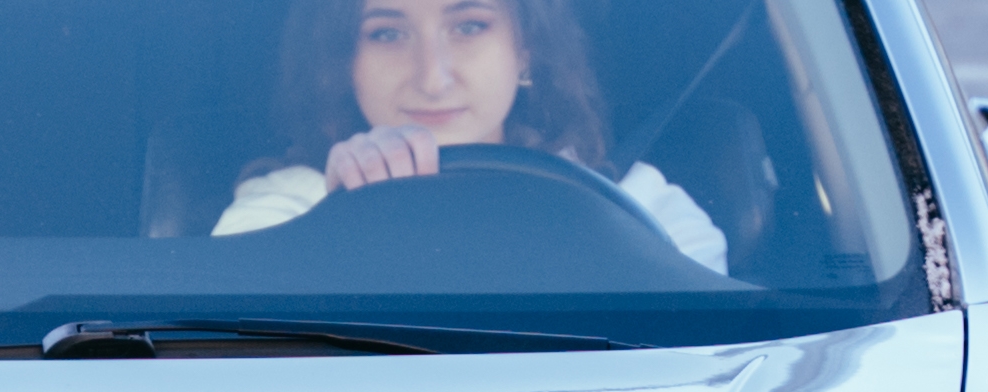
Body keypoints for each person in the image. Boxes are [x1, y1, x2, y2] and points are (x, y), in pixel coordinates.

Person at [213, 0, 726, 272]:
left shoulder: (636, 205)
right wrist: (350, 224)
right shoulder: (284, 211)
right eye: (387, 33)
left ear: (525, 50)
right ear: (343, 64)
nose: (433, 77)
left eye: (470, 26)